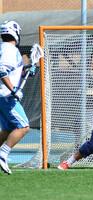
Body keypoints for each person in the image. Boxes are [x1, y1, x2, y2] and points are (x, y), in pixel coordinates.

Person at [0, 21, 35, 175]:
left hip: (3, 94)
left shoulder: (3, 48)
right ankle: (3, 154)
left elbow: (10, 70)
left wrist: (26, 69)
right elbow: (2, 71)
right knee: (23, 126)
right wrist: (13, 89)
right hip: (6, 95)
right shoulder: (10, 49)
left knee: (8, 129)